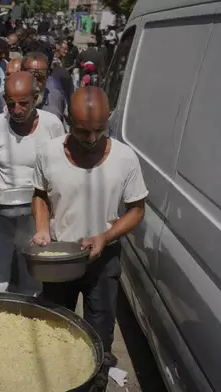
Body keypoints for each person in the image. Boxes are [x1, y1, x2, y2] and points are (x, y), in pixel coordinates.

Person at [32, 87, 148, 391]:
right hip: (60, 259)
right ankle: (59, 379)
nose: (92, 139)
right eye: (83, 132)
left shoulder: (125, 158)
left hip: (104, 258)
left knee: (99, 331)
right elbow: (40, 194)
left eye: (99, 130)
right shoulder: (48, 152)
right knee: (57, 325)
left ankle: (95, 382)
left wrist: (106, 235)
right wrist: (43, 228)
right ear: (69, 122)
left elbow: (137, 210)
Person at [0, 72, 64, 295]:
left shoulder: (51, 125)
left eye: (23, 103)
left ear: (36, 97)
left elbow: (62, 163)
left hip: (36, 212)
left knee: (32, 272)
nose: (16, 110)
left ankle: (29, 313)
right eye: (10, 104)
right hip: (1, 210)